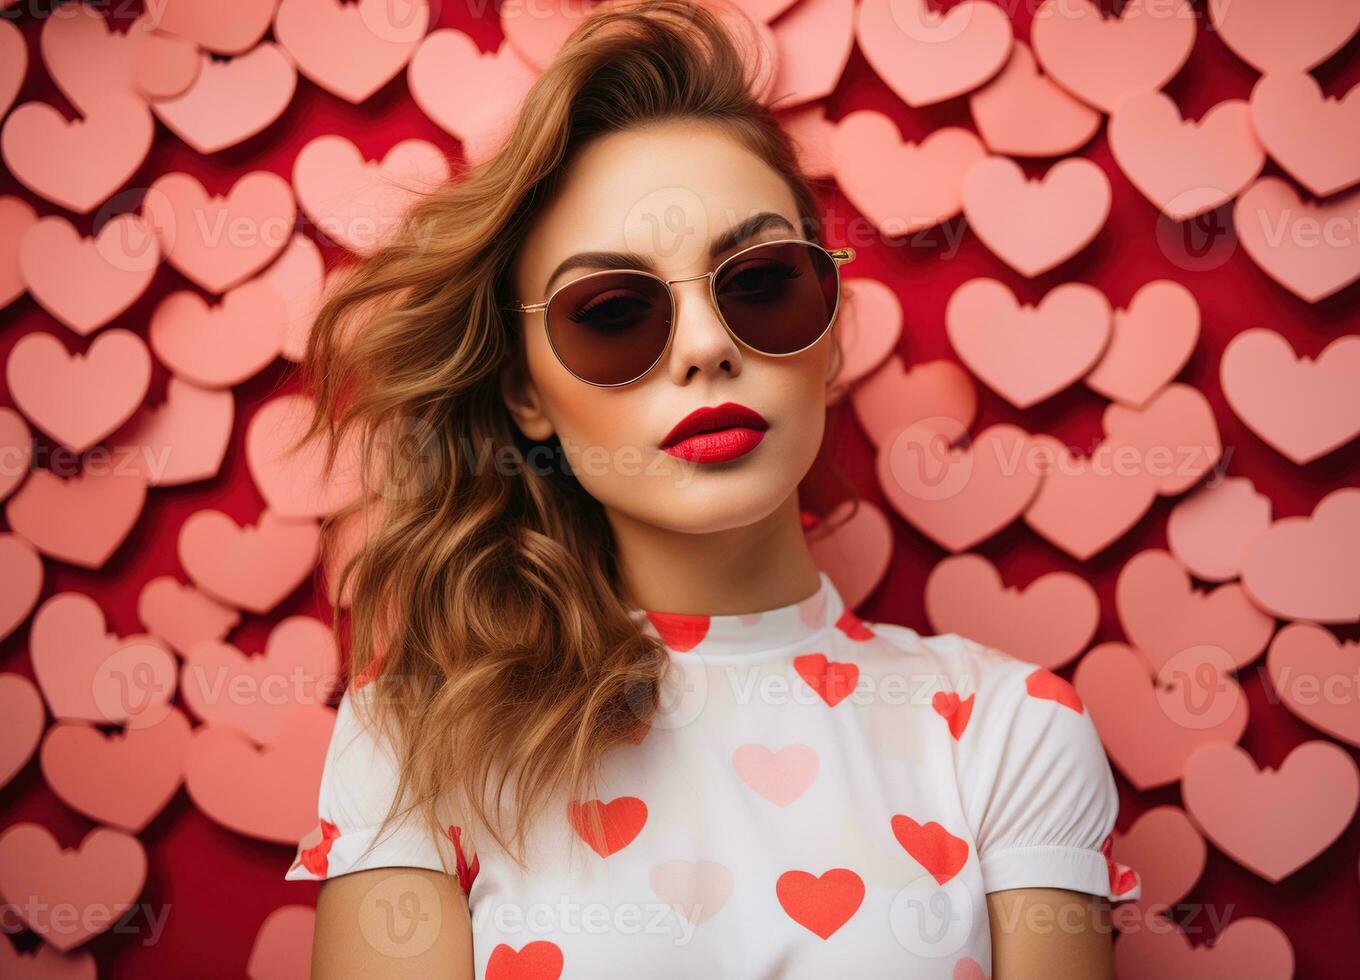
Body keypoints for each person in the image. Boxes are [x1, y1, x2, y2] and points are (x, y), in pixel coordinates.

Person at [283, 1, 1139, 976]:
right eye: (613, 311)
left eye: (762, 283)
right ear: (525, 389)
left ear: (828, 328)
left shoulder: (1010, 729)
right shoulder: (415, 733)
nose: (705, 348)